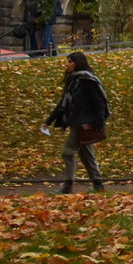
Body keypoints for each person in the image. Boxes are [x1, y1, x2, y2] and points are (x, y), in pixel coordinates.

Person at [44, 51, 110, 193]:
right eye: (67, 61)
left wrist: (100, 122)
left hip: (84, 124)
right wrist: (48, 121)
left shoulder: (88, 80)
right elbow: (63, 103)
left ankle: (68, 185)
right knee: (86, 155)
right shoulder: (73, 81)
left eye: (70, 61)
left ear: (78, 63)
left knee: (67, 152)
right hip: (77, 122)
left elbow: (100, 102)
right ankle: (99, 185)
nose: (67, 64)